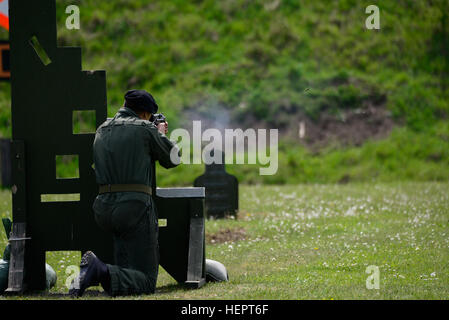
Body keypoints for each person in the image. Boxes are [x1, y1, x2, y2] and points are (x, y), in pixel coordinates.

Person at [69, 89, 179, 297]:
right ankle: (98, 269)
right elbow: (173, 159)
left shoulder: (102, 128)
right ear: (146, 113)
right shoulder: (146, 128)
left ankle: (98, 272)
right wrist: (161, 134)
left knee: (127, 268)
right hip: (134, 209)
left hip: (103, 209)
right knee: (146, 281)